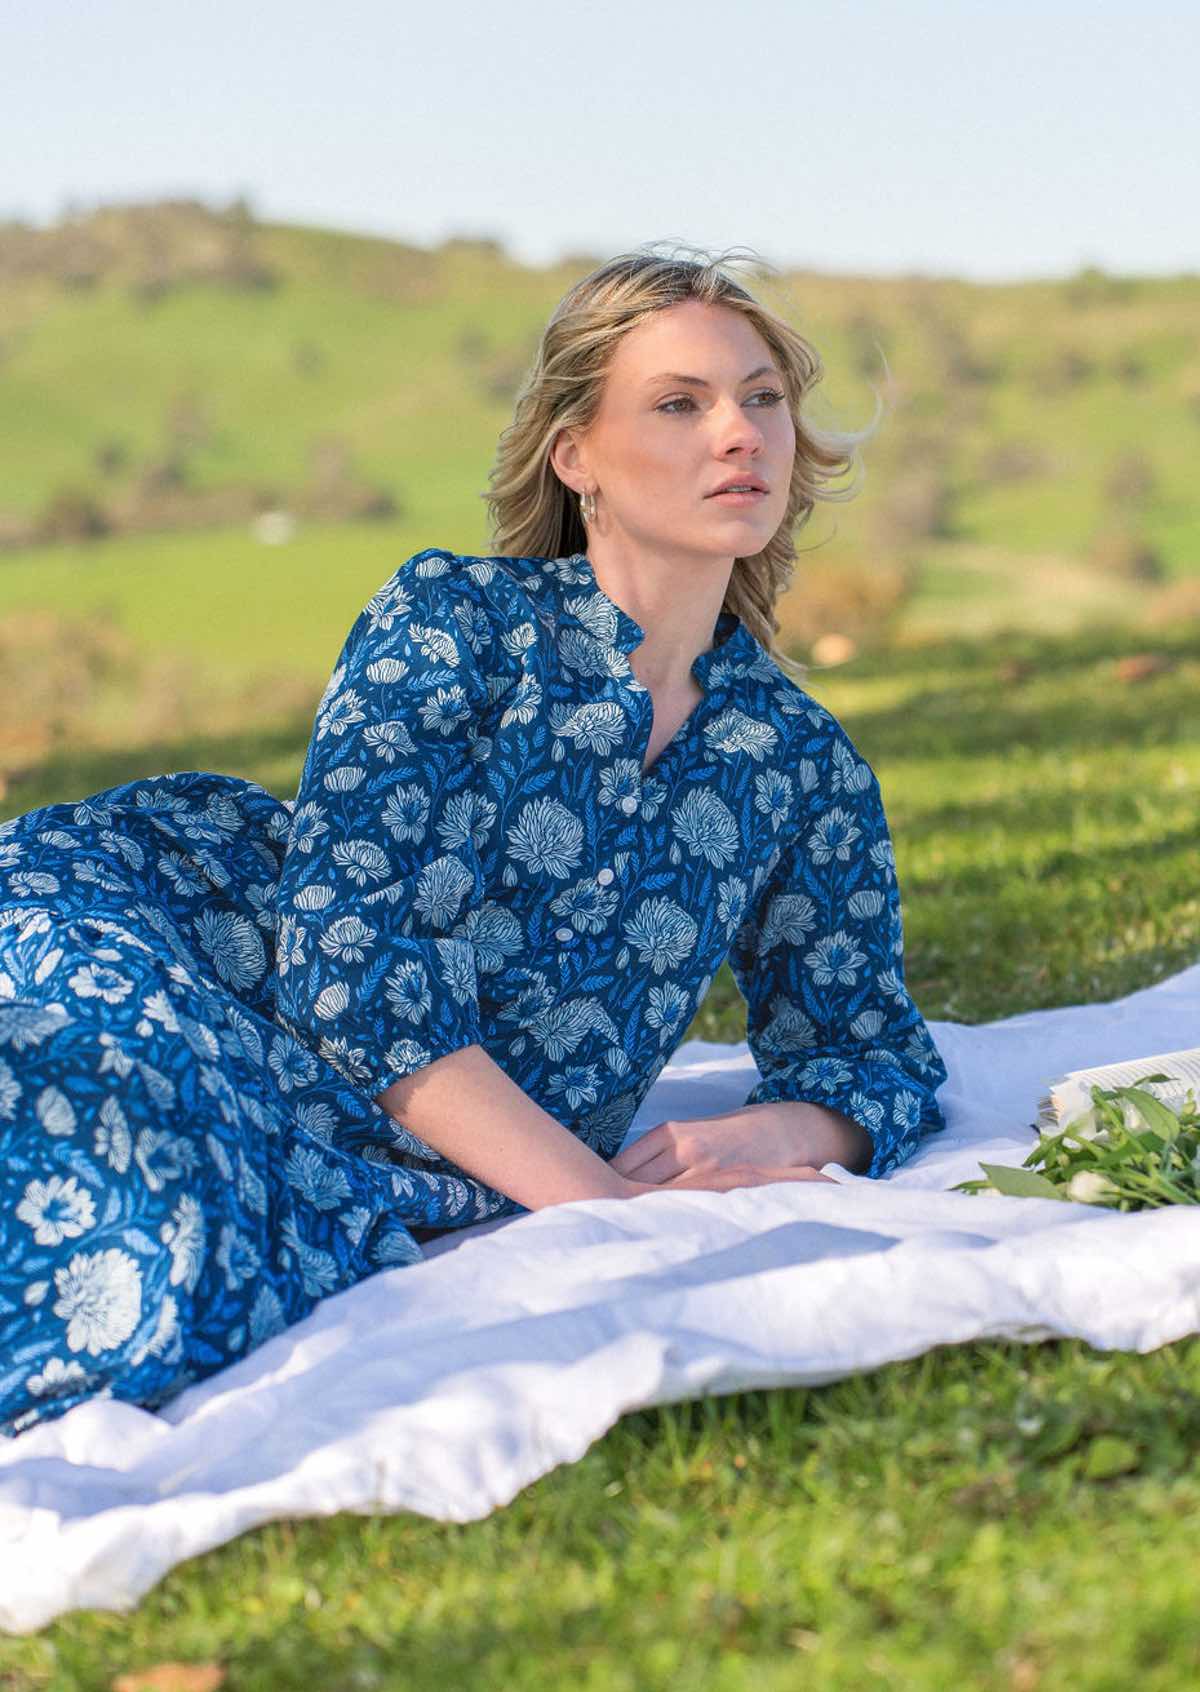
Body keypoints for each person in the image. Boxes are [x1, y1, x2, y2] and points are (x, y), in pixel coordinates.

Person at [0, 246, 949, 1437]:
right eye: (679, 403)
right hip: (188, 947)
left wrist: (777, 1128)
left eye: (762, 397)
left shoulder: (801, 765)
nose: (741, 433)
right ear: (576, 456)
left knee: (168, 1232)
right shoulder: (454, 622)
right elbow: (346, 979)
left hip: (379, 1154)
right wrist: (597, 1201)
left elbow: (874, 1052)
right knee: (88, 1125)